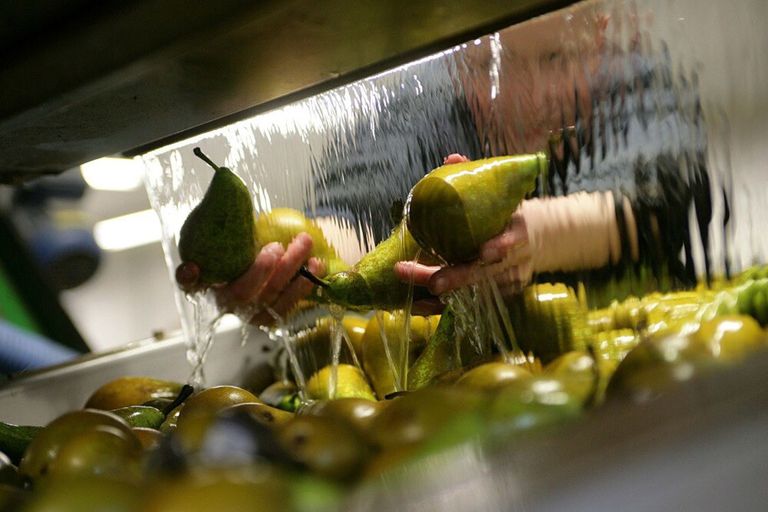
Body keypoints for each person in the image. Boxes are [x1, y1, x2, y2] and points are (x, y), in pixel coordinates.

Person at [176, 11, 716, 324]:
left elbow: (659, 200)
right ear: (458, 57)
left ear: (598, 36)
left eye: (555, 62)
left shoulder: (636, 76)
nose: (522, 99)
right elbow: (350, 214)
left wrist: (532, 239)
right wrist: (286, 264)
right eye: (489, 68)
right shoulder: (424, 101)